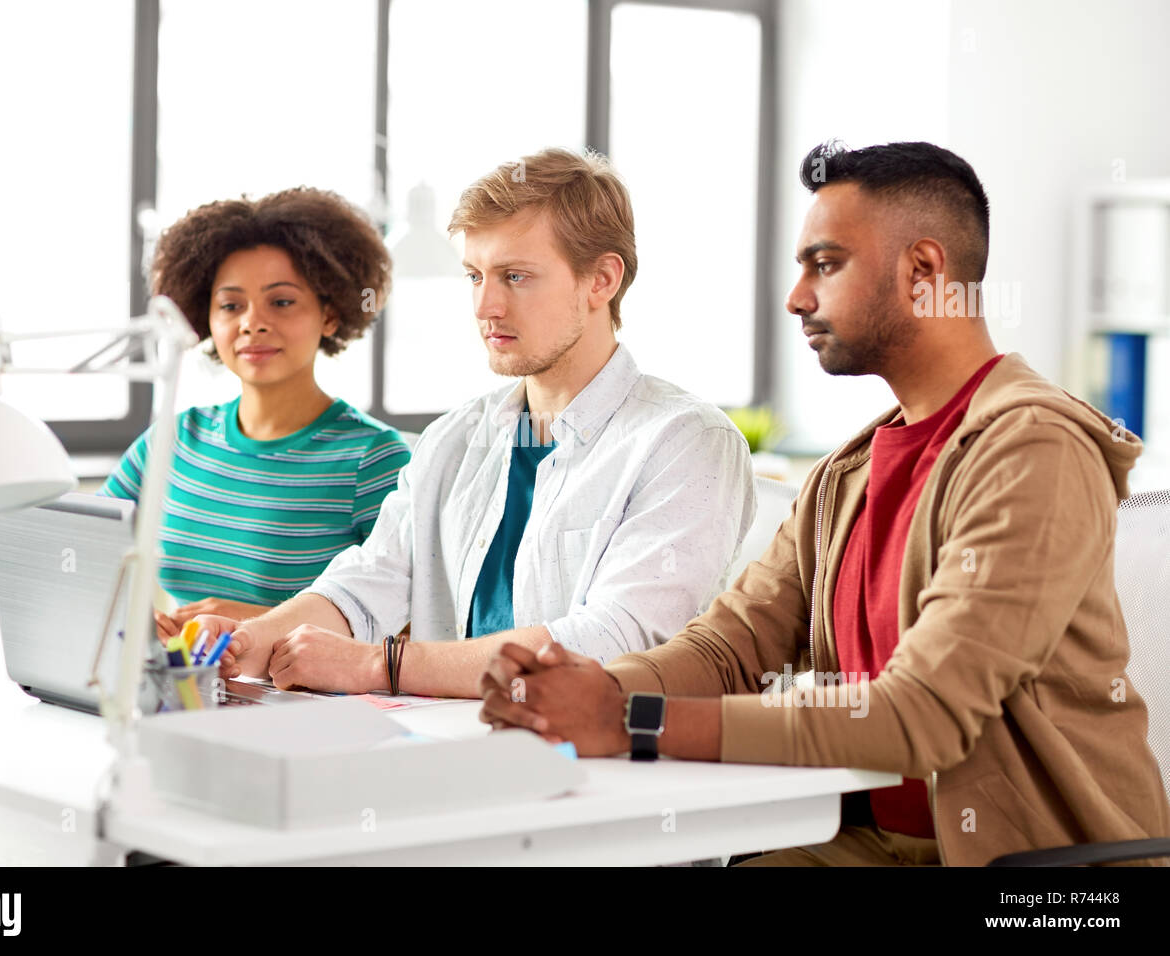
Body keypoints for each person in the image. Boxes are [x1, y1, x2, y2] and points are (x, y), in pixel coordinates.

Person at [479, 141, 1170, 866]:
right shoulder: (851, 472)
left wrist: (628, 720)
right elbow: (729, 650)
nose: (797, 296)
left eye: (826, 264)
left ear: (925, 272)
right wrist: (568, 691)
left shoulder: (1034, 451)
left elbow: (923, 715)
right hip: (866, 841)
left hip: (1037, 874)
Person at [195, 147, 756, 698]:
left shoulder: (685, 442)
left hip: (602, 771)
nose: (486, 306)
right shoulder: (456, 439)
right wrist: (251, 638)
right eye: (473, 276)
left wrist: (379, 666)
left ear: (601, 281)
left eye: (515, 276)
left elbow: (615, 642)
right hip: (455, 751)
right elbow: (370, 581)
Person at [99, 187, 411, 638]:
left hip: (304, 699)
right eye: (230, 305)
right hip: (188, 690)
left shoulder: (373, 459)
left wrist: (254, 621)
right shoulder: (176, 438)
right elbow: (86, 550)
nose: (251, 322)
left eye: (281, 302)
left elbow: (412, 627)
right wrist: (132, 622)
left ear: (330, 315)